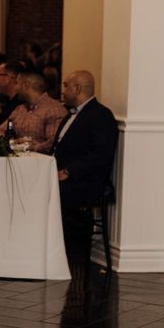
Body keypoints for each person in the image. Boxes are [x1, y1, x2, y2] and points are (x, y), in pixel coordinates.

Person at [53, 71, 119, 257]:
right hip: (63, 176)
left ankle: (67, 254)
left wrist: (68, 171)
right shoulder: (71, 114)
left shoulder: (101, 115)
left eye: (66, 85)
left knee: (47, 193)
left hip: (84, 181)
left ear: (77, 89)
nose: (63, 90)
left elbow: (100, 155)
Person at [0, 71, 68, 152]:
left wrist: (32, 147)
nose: (15, 88)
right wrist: (13, 143)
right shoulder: (20, 109)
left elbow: (53, 143)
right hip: (19, 158)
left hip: (42, 159)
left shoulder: (54, 110)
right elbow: (0, 131)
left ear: (26, 84)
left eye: (17, 83)